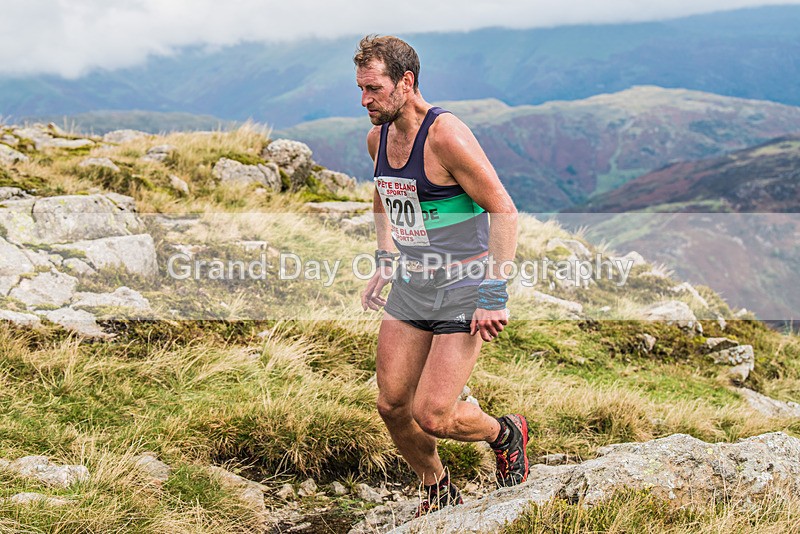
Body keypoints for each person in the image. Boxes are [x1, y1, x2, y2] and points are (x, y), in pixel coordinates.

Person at [355, 35, 528, 515]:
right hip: (412, 285)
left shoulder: (446, 135)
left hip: (461, 288)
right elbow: (385, 197)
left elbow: (505, 211)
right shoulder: (379, 137)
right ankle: (437, 486)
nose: (365, 100)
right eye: (360, 89)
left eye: (373, 88)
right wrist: (385, 260)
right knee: (392, 406)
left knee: (432, 414)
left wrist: (493, 293)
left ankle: (504, 432)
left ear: (406, 83)